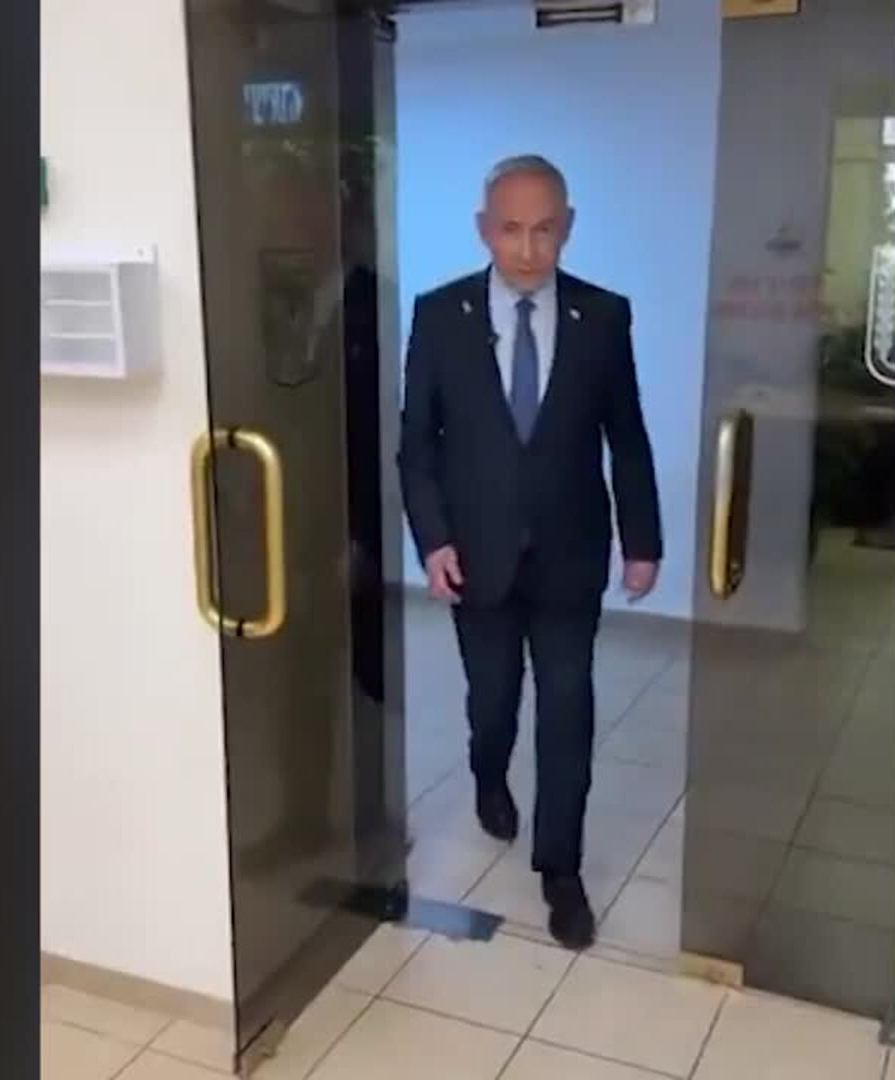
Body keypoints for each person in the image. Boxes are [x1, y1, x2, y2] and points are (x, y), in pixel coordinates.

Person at [398, 154, 662, 949]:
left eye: (544, 230)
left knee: (568, 708)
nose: (527, 248)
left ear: (567, 228)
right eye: (510, 229)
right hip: (475, 555)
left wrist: (642, 542)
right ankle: (488, 773)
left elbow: (627, 436)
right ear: (484, 229)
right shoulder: (439, 315)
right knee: (492, 702)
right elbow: (417, 445)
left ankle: (561, 869)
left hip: (570, 555)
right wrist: (433, 539)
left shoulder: (603, 316)